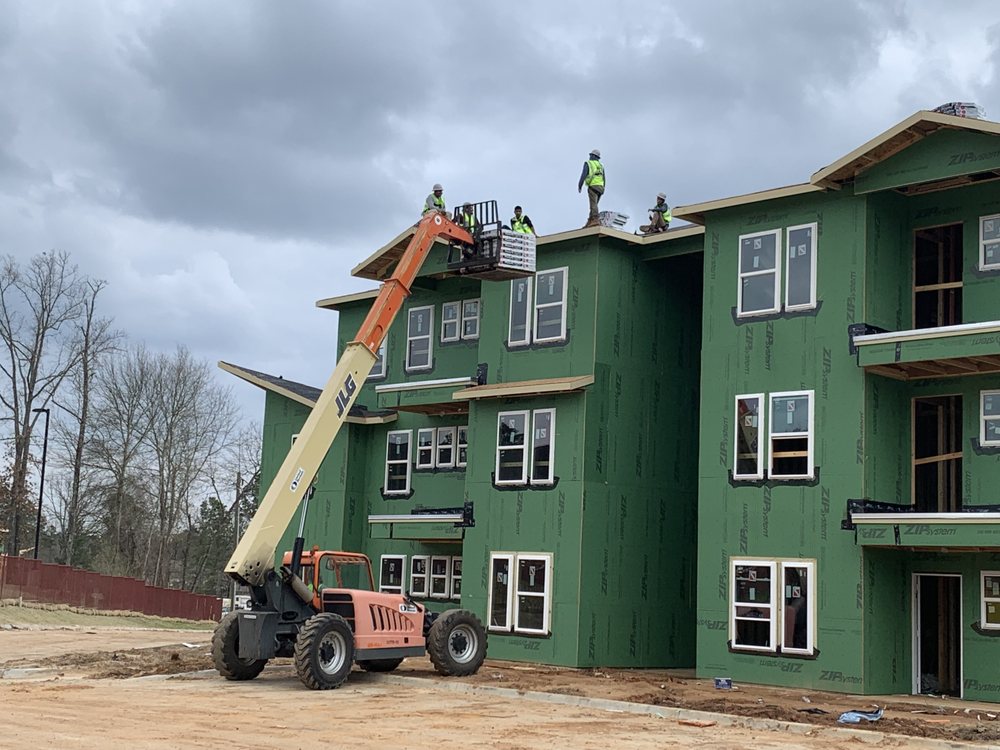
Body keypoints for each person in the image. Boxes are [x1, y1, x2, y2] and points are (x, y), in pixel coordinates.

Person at [577, 149, 605, 227]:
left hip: (593, 186)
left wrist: (580, 184)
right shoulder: (600, 165)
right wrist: (603, 188)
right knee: (594, 204)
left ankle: (595, 219)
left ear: (592, 156)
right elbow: (604, 177)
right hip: (601, 187)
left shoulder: (588, 163)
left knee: (593, 205)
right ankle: (590, 221)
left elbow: (584, 174)